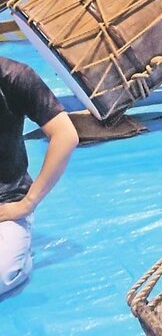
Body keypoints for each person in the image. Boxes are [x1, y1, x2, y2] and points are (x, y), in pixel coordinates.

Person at [0, 57, 79, 297]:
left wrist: (28, 203)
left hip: (5, 204)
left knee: (2, 274)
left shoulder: (14, 77)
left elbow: (66, 135)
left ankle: (19, 256)